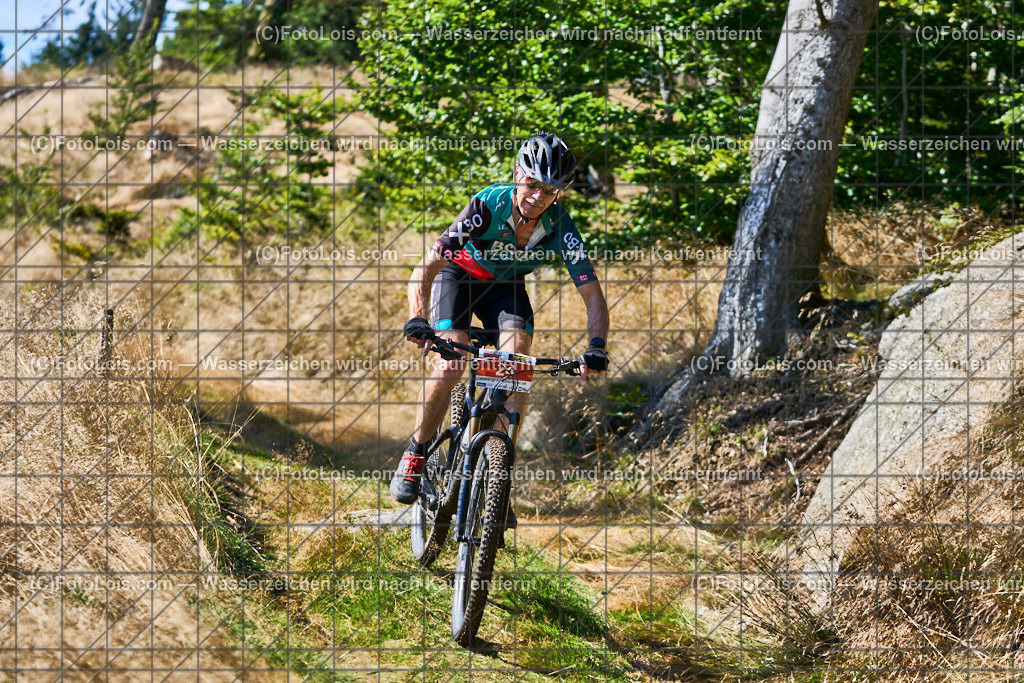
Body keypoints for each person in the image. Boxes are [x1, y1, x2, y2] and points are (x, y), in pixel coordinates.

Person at [389, 131, 610, 507]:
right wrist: (417, 318)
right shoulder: (486, 206)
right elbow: (427, 266)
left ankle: (495, 476)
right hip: (458, 279)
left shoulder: (560, 226)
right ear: (517, 173)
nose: (538, 196)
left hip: (506, 288)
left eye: (550, 190)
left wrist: (596, 348)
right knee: (450, 364)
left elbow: (591, 292)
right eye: (532, 183)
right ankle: (415, 453)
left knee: (518, 369)